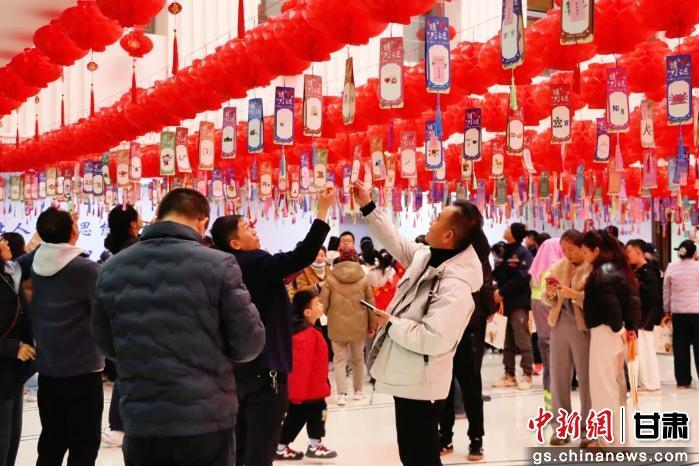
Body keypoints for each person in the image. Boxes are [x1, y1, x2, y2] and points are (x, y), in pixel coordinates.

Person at [92, 188, 265, 466]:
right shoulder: (219, 264)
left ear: (159, 215)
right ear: (202, 221)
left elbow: (105, 344)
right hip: (205, 420)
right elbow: (249, 344)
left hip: (142, 421)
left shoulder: (112, 268)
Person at [355, 180, 484, 466]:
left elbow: (434, 339)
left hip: (423, 384)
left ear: (448, 235)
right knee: (410, 455)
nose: (431, 221)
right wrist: (368, 206)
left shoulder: (456, 287)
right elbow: (396, 241)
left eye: (437, 219)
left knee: (422, 457)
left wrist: (391, 323)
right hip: (407, 377)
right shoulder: (426, 256)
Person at [210, 188, 334, 466]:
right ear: (235, 243)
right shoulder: (256, 261)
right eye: (246, 228)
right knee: (262, 446)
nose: (254, 230)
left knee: (239, 442)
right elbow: (302, 255)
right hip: (266, 369)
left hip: (235, 368)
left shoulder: (222, 267)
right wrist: (322, 212)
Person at [18, 207, 103, 466]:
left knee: (52, 440)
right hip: (84, 370)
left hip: (48, 369)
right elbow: (104, 311)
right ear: (74, 231)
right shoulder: (87, 269)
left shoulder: (31, 264)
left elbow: (16, 265)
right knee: (84, 444)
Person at [438, 228, 495, 461]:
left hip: (465, 329)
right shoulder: (447, 258)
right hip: (449, 330)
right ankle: (451, 437)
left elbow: (486, 290)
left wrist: (486, 310)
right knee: (449, 387)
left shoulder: (474, 260)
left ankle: (471, 439)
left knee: (466, 387)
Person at [581, 230, 640, 448]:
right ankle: (619, 440)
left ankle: (608, 441)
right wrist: (630, 328)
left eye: (585, 252)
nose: (584, 256)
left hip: (606, 333)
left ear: (596, 250)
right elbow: (633, 302)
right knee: (616, 388)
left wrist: (619, 328)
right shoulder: (621, 270)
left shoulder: (602, 273)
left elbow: (611, 305)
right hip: (619, 333)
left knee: (603, 388)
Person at [541, 230, 592, 446]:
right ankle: (561, 428)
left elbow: (595, 299)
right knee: (558, 379)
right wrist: (551, 292)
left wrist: (575, 295)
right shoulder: (558, 267)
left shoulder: (591, 267)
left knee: (587, 381)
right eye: (564, 250)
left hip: (583, 328)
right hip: (559, 325)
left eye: (572, 250)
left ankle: (588, 430)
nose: (568, 255)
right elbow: (546, 298)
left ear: (583, 248)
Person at [275, 290, 337, 461]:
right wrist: (297, 394)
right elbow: (300, 365)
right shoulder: (305, 333)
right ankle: (299, 446)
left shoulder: (309, 330)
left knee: (306, 416)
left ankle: (293, 445)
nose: (321, 305)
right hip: (307, 391)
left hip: (313, 388)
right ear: (307, 312)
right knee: (306, 416)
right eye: (317, 303)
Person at [100, 204, 143, 449]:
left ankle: (118, 425)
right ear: (133, 225)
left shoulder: (113, 255)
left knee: (123, 375)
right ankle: (119, 426)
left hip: (119, 321)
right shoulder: (140, 251)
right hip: (140, 320)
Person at [321, 246, 375, 405]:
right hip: (359, 325)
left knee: (339, 360)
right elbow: (370, 304)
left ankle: (341, 395)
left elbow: (323, 303)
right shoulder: (363, 278)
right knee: (358, 359)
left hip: (336, 325)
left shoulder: (330, 278)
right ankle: (358, 391)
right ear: (355, 258)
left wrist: (330, 314)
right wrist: (371, 325)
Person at [0, 235, 35, 466]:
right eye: (0, 239)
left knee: (12, 437)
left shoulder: (9, 272)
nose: (5, 242)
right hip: (5, 366)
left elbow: (33, 254)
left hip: (14, 372)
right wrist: (13, 348)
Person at [492, 222, 534, 390]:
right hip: (504, 303)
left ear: (514, 233)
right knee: (507, 341)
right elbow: (497, 274)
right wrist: (495, 290)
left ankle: (527, 374)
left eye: (509, 228)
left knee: (522, 339)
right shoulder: (503, 251)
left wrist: (502, 292)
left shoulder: (523, 253)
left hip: (519, 303)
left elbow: (523, 277)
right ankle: (509, 374)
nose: (505, 229)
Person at [528, 238, 564, 410]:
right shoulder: (553, 270)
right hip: (552, 326)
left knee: (548, 364)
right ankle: (555, 405)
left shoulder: (537, 268)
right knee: (554, 365)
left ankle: (549, 404)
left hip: (542, 328)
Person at [626, 239, 662, 394]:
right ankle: (642, 382)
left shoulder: (649, 272)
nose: (627, 255)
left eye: (629, 252)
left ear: (638, 252)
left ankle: (651, 383)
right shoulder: (637, 270)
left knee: (646, 350)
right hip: (637, 317)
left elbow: (651, 299)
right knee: (638, 351)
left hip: (645, 317)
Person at [663, 239, 699, 388]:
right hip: (697, 313)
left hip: (678, 312)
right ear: (694, 253)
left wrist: (666, 310)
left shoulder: (671, 267)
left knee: (680, 347)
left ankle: (683, 381)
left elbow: (666, 291)